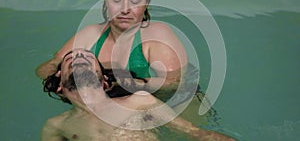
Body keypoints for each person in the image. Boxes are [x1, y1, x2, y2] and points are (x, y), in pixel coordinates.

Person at [36, 0, 189, 98]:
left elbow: (176, 83)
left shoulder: (157, 34)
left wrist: (125, 84)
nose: (125, 9)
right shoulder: (90, 35)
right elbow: (46, 68)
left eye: (135, 0)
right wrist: (67, 83)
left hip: (171, 106)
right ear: (105, 0)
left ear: (147, 2)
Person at [41, 48, 236, 141]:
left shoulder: (140, 101)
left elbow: (195, 133)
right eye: (71, 58)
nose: (80, 57)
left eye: (88, 57)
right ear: (59, 85)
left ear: (105, 82)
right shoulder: (56, 125)